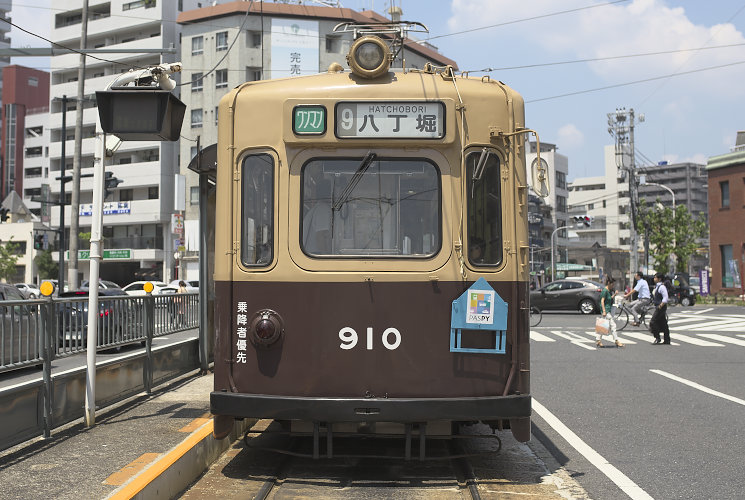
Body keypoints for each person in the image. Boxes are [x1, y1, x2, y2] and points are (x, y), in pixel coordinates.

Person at [302, 178, 333, 254]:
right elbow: (321, 237)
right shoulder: (323, 209)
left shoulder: (318, 208)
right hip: (315, 254)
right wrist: (327, 258)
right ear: (330, 193)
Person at [597, 277, 624, 348]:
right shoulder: (605, 291)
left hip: (608, 310)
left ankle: (598, 340)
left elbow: (609, 299)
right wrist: (604, 311)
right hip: (606, 311)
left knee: (603, 326)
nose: (613, 286)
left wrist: (614, 295)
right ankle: (616, 340)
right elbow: (602, 301)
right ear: (609, 283)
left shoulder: (608, 291)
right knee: (613, 325)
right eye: (612, 284)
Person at [650, 272, 671, 345]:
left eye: (655, 277)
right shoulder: (657, 286)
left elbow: (665, 298)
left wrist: (660, 305)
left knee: (653, 322)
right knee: (664, 323)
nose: (654, 279)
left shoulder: (662, 287)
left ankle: (657, 337)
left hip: (661, 307)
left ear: (659, 279)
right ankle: (667, 340)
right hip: (658, 306)